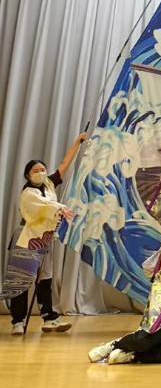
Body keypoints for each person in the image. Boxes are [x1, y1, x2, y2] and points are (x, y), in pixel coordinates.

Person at [9, 132, 86, 335]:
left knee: (45, 278)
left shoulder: (49, 184)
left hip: (44, 237)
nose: (41, 172)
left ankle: (49, 318)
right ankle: (18, 321)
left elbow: (64, 164)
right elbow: (43, 205)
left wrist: (77, 142)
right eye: (36, 170)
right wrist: (60, 208)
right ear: (28, 175)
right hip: (26, 237)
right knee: (22, 280)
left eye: (43, 169)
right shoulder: (28, 193)